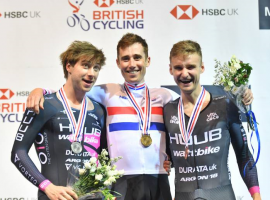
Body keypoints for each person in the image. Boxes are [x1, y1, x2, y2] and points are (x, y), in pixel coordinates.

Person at [26, 33, 254, 200]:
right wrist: (41, 91)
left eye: (137, 57)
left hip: (159, 183)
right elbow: (70, 90)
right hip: (120, 185)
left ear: (148, 61)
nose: (131, 64)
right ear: (117, 63)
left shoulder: (165, 97)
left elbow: (199, 112)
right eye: (125, 59)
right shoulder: (106, 92)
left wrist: (243, 97)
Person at [163, 40, 261, 200]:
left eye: (191, 67)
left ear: (202, 67)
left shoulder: (225, 105)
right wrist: (167, 162)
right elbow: (167, 156)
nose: (184, 73)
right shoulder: (168, 110)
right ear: (171, 70)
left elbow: (244, 155)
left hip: (221, 195)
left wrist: (256, 196)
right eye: (178, 68)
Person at [11, 41, 107, 200]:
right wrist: (46, 186)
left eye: (96, 68)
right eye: (85, 65)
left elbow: (106, 158)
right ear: (68, 66)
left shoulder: (99, 111)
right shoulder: (44, 104)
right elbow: (18, 153)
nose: (92, 73)